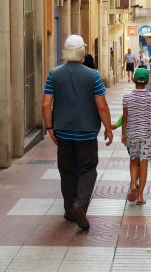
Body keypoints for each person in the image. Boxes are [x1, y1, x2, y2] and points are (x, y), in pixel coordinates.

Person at [42, 35, 114, 230]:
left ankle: (69, 210)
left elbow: (46, 104)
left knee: (66, 171)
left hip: (63, 132)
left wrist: (50, 127)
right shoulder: (92, 75)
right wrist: (108, 128)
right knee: (88, 169)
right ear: (82, 51)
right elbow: (102, 106)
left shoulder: (54, 74)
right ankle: (80, 204)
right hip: (87, 132)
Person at [122, 68, 151, 205]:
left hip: (132, 134)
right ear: (148, 81)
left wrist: (123, 134)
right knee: (144, 164)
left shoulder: (127, 97)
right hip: (146, 135)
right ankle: (141, 196)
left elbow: (125, 117)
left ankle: (132, 185)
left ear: (133, 80)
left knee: (133, 160)